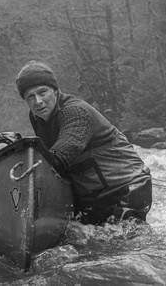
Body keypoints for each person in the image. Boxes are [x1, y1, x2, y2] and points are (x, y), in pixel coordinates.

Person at [16, 60, 152, 225]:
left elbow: (59, 158)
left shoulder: (75, 112)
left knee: (121, 243)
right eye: (30, 96)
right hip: (92, 194)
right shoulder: (37, 117)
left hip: (126, 188)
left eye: (42, 92)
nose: (37, 101)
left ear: (55, 90)